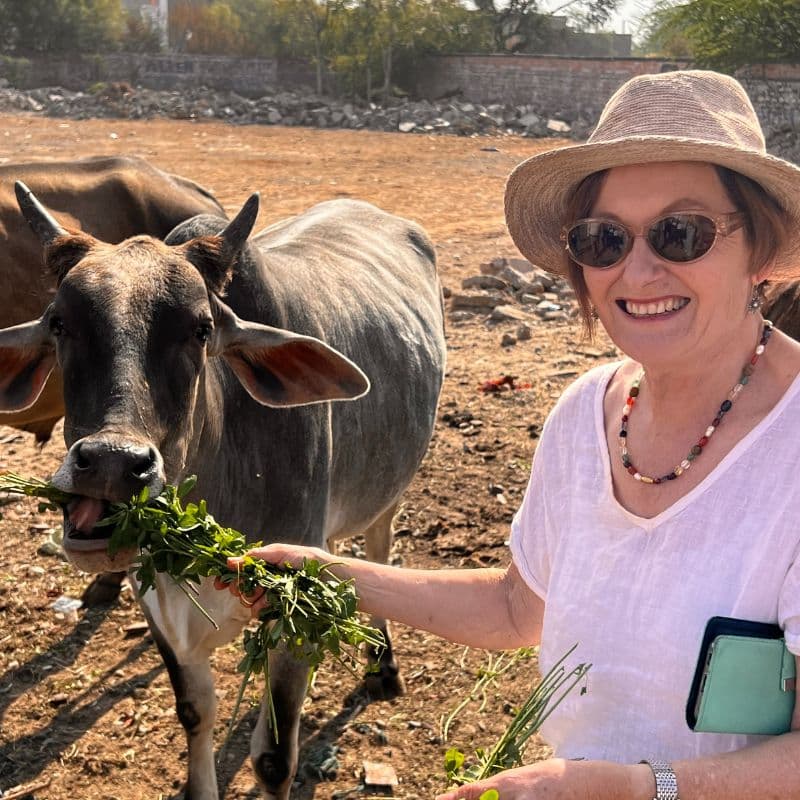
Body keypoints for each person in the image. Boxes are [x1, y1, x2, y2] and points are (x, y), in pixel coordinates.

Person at [219, 70, 800, 799]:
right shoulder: (586, 415)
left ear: (765, 252)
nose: (639, 271)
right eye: (603, 239)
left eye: (683, 233)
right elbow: (519, 608)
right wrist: (332, 574)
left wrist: (633, 789)